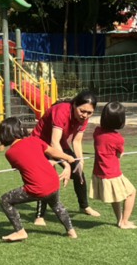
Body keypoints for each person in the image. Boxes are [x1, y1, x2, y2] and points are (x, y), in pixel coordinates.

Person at [0, 115, 78, 242]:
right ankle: (71, 231)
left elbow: (21, 164)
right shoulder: (35, 140)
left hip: (37, 188)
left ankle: (20, 232)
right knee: (56, 205)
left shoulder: (10, 154)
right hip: (53, 182)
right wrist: (68, 157)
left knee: (5, 200)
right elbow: (52, 151)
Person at [32, 90, 99, 224]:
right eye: (82, 111)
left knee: (79, 172)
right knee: (46, 177)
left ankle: (84, 206)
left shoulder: (84, 118)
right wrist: (65, 163)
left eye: (89, 113)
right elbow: (54, 142)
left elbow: (76, 141)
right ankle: (39, 216)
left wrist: (79, 162)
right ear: (74, 105)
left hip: (59, 143)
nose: (85, 115)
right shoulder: (62, 111)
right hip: (40, 144)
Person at [89, 101, 137, 228]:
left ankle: (119, 220)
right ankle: (124, 222)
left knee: (116, 197)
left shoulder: (97, 132)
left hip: (100, 172)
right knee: (131, 193)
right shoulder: (118, 138)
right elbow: (119, 154)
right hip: (112, 173)